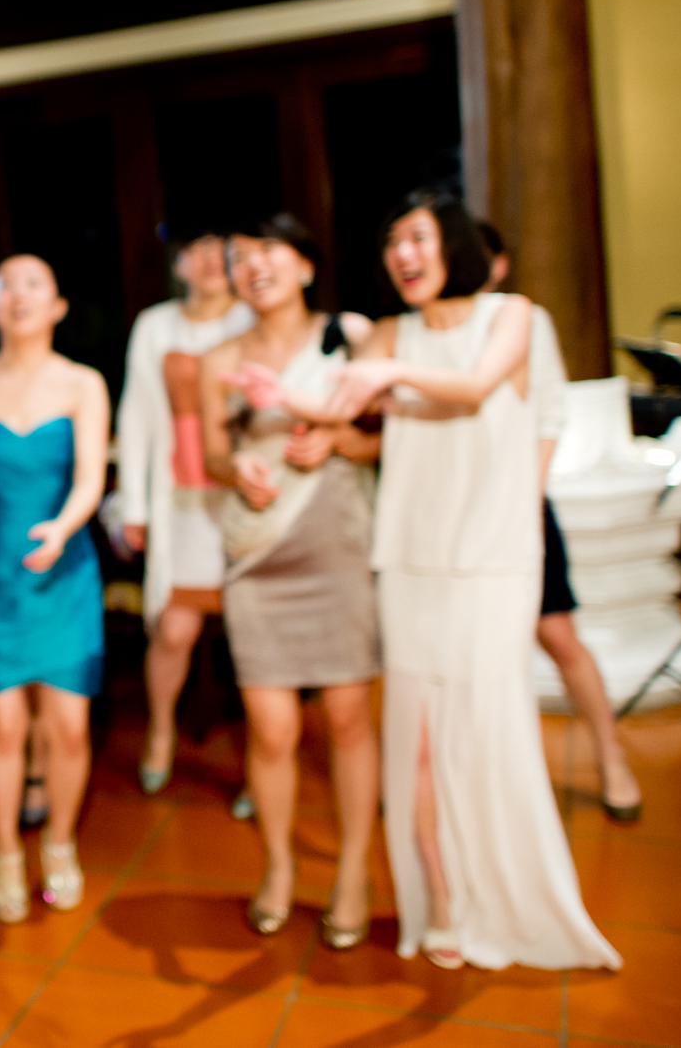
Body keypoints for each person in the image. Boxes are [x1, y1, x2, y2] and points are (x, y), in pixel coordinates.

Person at [250, 188, 618, 971]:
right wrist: (280, 396)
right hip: (408, 556)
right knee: (414, 741)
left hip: (493, 558)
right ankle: (444, 899)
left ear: (453, 242)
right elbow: (339, 400)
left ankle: (508, 892)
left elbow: (477, 385)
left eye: (416, 236)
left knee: (485, 731)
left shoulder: (513, 316)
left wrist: (384, 370)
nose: (403, 254)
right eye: (392, 242)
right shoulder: (391, 333)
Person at [197, 214, 381, 951]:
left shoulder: (351, 337)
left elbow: (383, 438)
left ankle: (355, 872)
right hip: (258, 550)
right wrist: (234, 466)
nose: (254, 265)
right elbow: (212, 454)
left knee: (348, 720)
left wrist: (337, 438)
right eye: (240, 256)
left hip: (335, 542)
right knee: (272, 730)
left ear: (305, 265)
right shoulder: (218, 359)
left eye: (269, 250)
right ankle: (277, 866)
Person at [0, 254, 110, 924]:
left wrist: (62, 528)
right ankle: (5, 849)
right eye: (4, 284)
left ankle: (60, 840)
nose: (18, 294)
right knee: (3, 724)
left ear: (57, 305)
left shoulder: (83, 383)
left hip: (62, 569)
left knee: (69, 725)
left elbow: (91, 478)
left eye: (34, 282)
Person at [476, 221, 642, 820]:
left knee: (557, 634)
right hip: (457, 513)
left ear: (498, 265)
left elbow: (549, 411)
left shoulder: (524, 318)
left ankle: (611, 757)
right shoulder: (425, 326)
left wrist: (525, 496)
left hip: (518, 502)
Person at [115, 230, 254, 794]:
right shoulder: (155, 325)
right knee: (174, 630)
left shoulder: (251, 318)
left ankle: (259, 763)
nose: (212, 262)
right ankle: (161, 733)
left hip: (242, 495)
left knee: (251, 635)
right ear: (179, 264)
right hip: (179, 499)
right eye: (198, 250)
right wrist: (135, 504)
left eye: (224, 251)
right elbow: (135, 414)